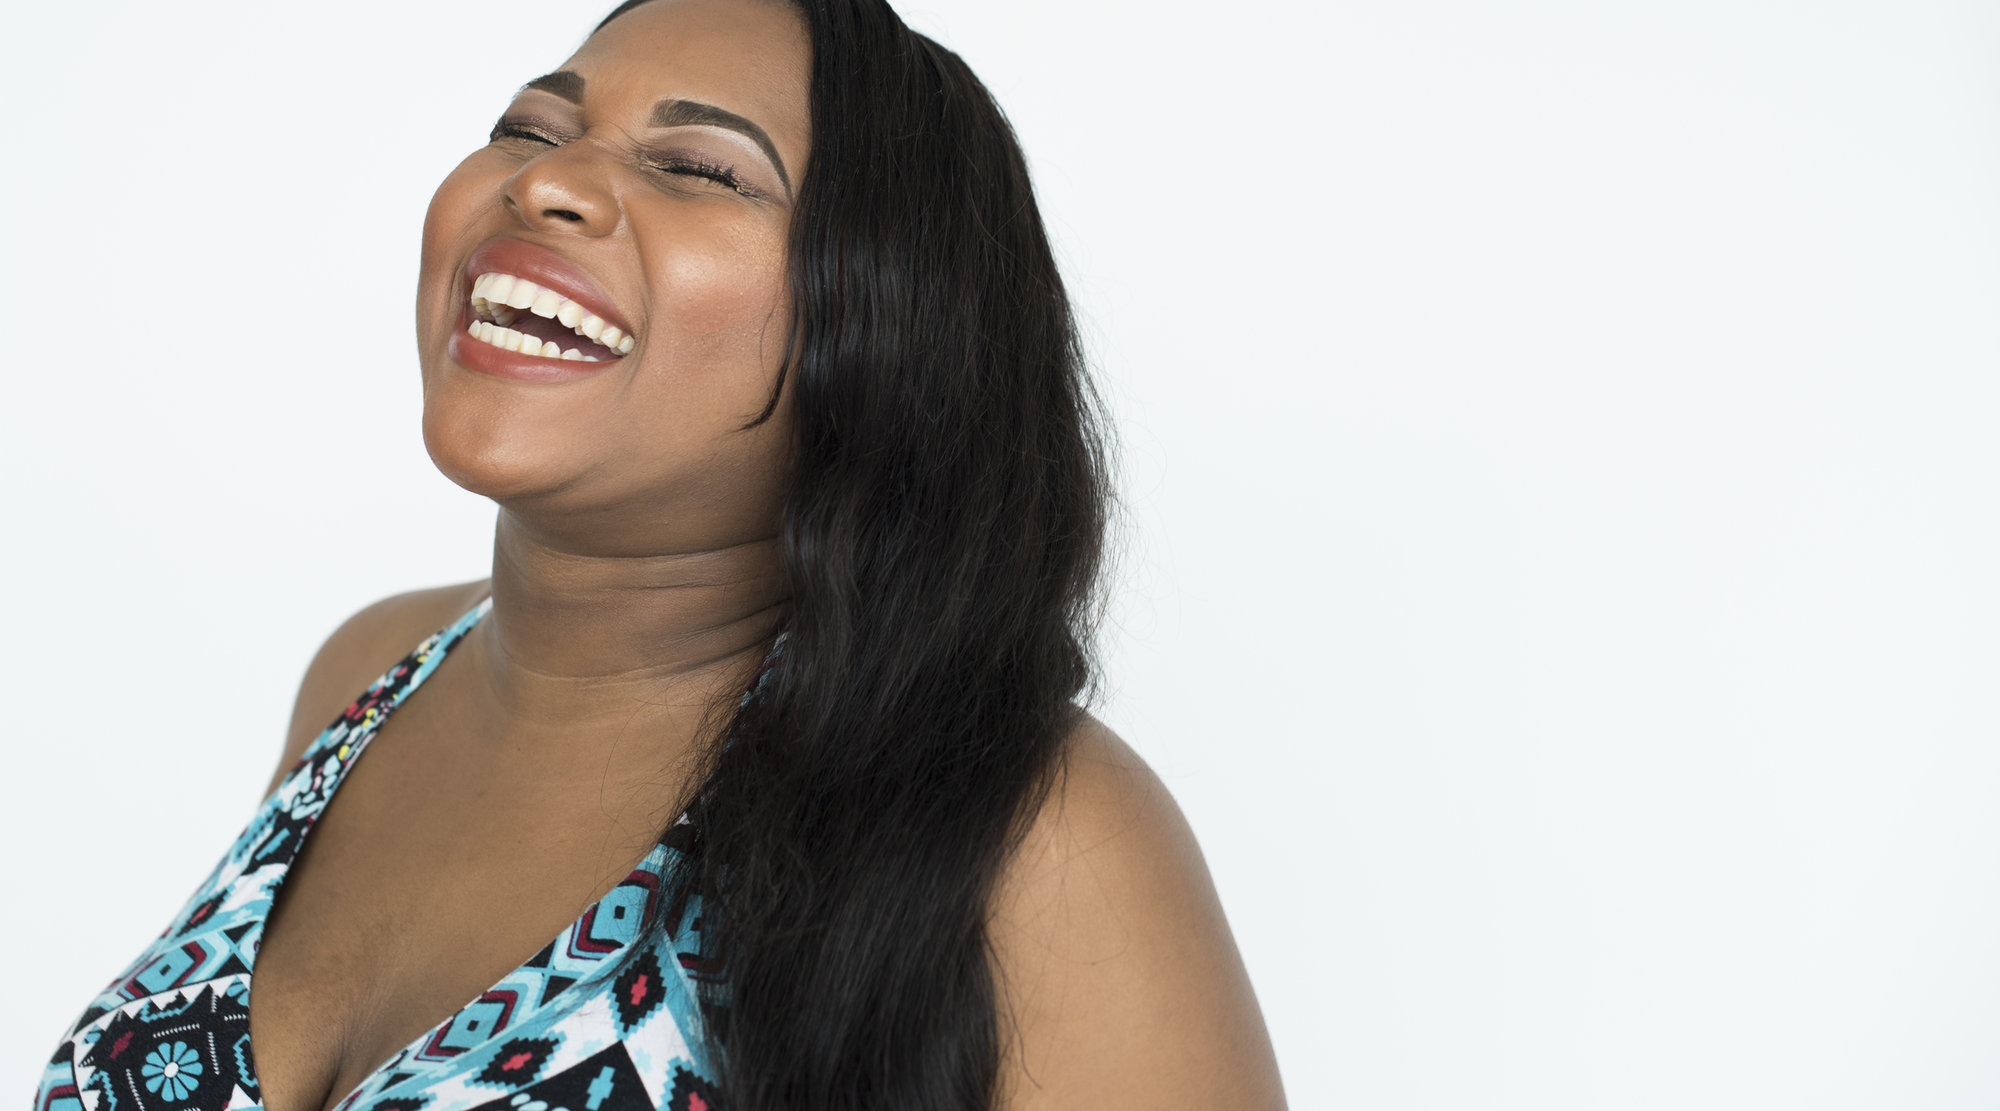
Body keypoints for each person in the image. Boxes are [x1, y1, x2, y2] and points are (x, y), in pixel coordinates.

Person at [31, 1, 1285, 1108]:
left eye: (697, 167)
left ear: (891, 320)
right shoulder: (370, 675)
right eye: (527, 129)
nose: (547, 181)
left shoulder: (1036, 833)